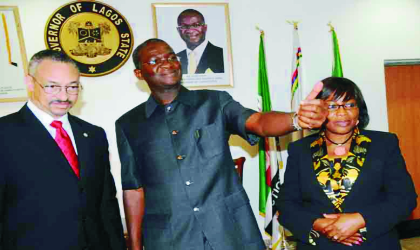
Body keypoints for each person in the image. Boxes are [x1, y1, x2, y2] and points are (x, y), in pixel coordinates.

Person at [116, 38, 328, 250]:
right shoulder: (129, 124)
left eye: (171, 57)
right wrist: (134, 245)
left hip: (228, 230)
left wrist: (296, 119)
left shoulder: (214, 102)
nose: (167, 63)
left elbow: (258, 122)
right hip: (171, 236)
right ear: (139, 74)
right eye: (155, 60)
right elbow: (134, 189)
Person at [0, 50, 126, 250]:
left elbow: (106, 204)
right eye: (52, 86)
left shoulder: (93, 135)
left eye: (72, 87)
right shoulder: (5, 134)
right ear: (30, 82)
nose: (64, 96)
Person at [277, 76, 417, 249]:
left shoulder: (384, 144)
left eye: (350, 105)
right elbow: (286, 205)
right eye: (332, 106)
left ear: (359, 110)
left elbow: (405, 198)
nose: (342, 112)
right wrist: (320, 225)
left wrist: (359, 219)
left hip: (374, 242)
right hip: (319, 243)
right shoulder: (300, 149)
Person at [176, 9, 224, 74]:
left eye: (196, 25)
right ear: (178, 30)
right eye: (184, 26)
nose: (190, 30)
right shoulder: (175, 59)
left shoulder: (222, 55)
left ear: (205, 28)